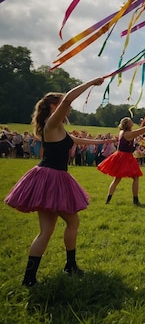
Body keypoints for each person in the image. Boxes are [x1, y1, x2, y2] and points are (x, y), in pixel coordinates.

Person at [4, 77, 106, 287]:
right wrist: (90, 83)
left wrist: (102, 141)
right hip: (52, 177)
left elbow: (74, 141)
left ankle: (31, 278)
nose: (67, 109)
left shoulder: (56, 127)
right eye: (61, 105)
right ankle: (68, 266)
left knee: (48, 230)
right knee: (72, 222)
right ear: (53, 106)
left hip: (48, 177)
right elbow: (68, 99)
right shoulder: (52, 123)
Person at [98, 111, 145, 206]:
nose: (131, 121)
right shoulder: (129, 134)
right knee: (135, 177)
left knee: (117, 179)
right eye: (130, 121)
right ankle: (135, 199)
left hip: (119, 156)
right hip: (126, 157)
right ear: (127, 124)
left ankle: (108, 199)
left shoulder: (122, 132)